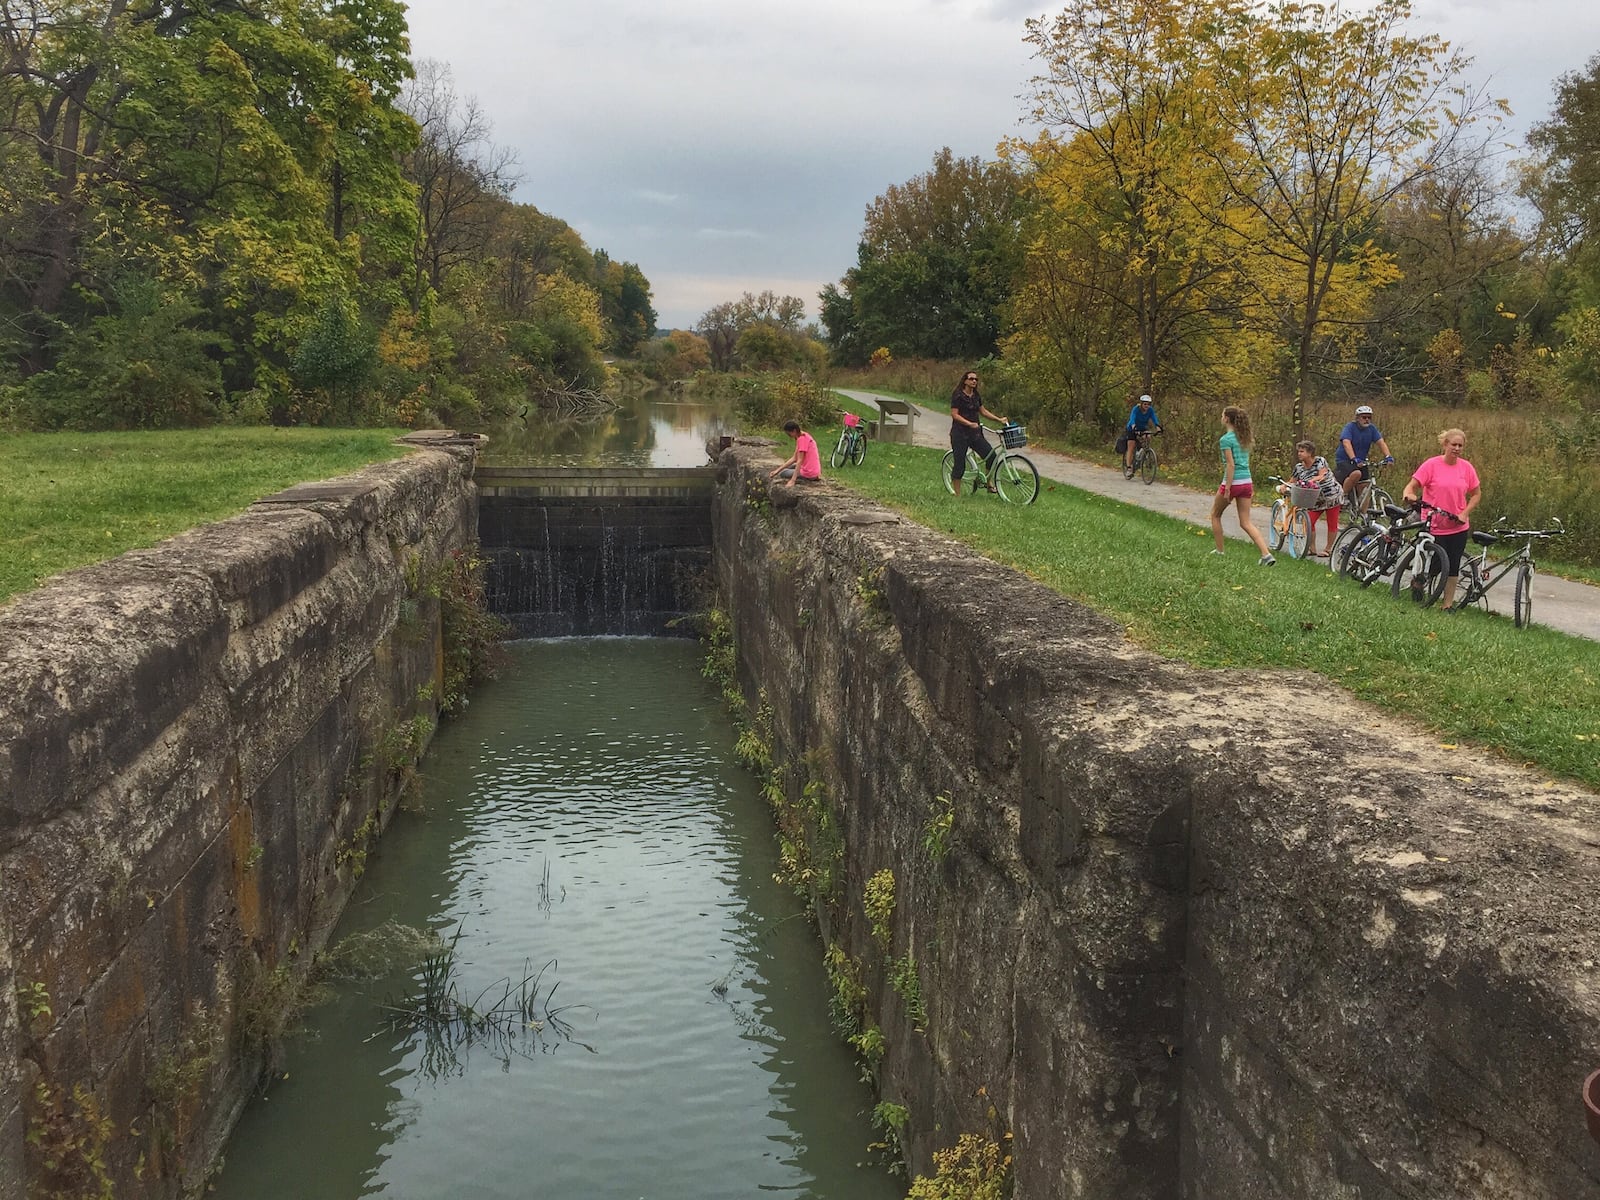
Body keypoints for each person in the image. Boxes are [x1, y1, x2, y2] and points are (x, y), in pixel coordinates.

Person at [1402, 428, 1481, 610]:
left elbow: (1476, 494)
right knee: (1435, 563)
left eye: (1460, 445)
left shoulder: (1466, 468)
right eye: (1454, 444)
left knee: (1453, 566)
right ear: (1445, 445)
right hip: (1434, 524)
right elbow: (1411, 486)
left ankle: (1447, 605)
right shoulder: (1431, 465)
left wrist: (1465, 513)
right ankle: (1419, 582)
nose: (1457, 448)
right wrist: (1409, 494)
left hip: (1457, 525)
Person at [1210, 405, 1276, 565]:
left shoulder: (1226, 439)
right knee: (1246, 522)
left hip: (1233, 482)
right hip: (1247, 481)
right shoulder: (1243, 437)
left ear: (1226, 419)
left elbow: (1230, 465)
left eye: (1222, 415)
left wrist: (1227, 488)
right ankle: (1266, 554)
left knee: (1215, 515)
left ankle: (1219, 551)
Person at [948, 369, 1008, 496]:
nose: (974, 381)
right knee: (960, 465)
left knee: (991, 456)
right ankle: (957, 495)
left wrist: (999, 419)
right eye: (971, 379)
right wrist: (969, 423)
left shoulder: (976, 395)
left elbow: (983, 411)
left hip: (975, 434)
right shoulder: (958, 394)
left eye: (976, 379)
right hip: (960, 434)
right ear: (965, 381)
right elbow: (954, 414)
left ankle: (988, 483)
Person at [1279, 440, 1342, 556]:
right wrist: (1284, 485)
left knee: (1332, 523)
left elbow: (1322, 475)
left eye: (1302, 451)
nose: (1299, 453)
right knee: (1308, 521)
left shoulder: (1319, 461)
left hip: (1332, 496)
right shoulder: (1299, 467)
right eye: (1298, 451)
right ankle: (1311, 548)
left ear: (1310, 453)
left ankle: (1328, 549)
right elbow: (1292, 480)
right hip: (1314, 499)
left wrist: (1311, 480)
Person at [1334, 404, 1394, 510]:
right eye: (1364, 417)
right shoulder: (1350, 427)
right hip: (1345, 459)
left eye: (1369, 417)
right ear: (1357, 418)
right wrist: (1353, 458)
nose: (1367, 420)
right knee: (1356, 473)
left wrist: (1388, 456)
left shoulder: (1372, 429)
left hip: (1360, 461)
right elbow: (1346, 443)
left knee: (1365, 487)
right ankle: (1343, 496)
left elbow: (1381, 442)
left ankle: (1364, 515)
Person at [769, 419, 822, 488]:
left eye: (789, 434)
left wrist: (792, 480)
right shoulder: (804, 435)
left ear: (794, 431)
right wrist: (777, 470)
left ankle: (806, 476)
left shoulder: (801, 440)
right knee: (790, 466)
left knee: (783, 473)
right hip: (814, 470)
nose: (789, 436)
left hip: (809, 472)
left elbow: (799, 460)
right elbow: (794, 458)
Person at [1122, 394, 1163, 472]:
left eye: (1148, 404)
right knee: (1131, 446)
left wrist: (1158, 427)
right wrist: (1134, 427)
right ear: (1141, 404)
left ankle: (1144, 451)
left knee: (1148, 437)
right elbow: (1132, 418)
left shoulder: (1150, 410)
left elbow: (1154, 418)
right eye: (1145, 404)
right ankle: (1128, 467)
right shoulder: (1136, 409)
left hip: (1142, 428)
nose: (1146, 406)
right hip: (1132, 428)